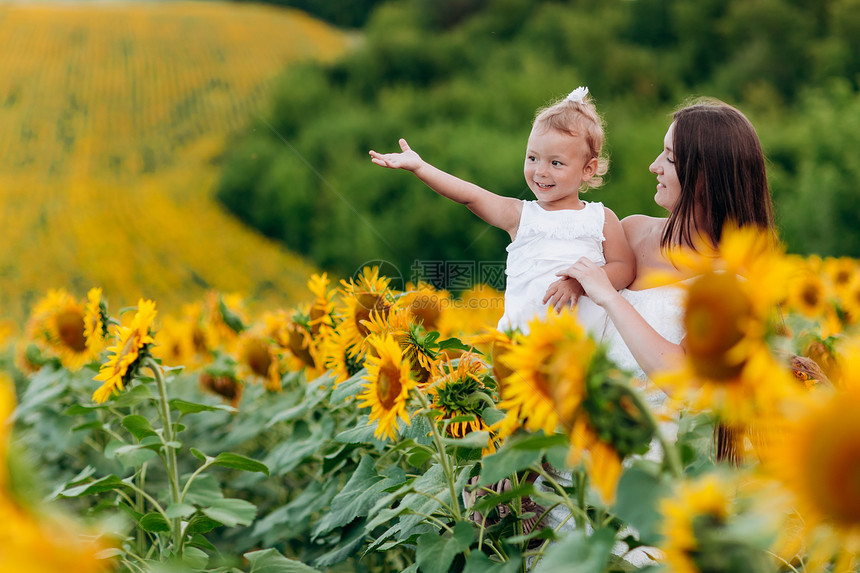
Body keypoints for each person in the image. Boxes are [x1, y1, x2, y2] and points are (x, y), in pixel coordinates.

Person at [533, 98, 777, 567]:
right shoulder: (630, 233)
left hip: (654, 482)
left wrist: (607, 294)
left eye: (668, 157)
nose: (653, 166)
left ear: (705, 175)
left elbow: (681, 376)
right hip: (574, 467)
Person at [369, 87, 635, 335]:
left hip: (580, 352)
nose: (540, 171)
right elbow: (469, 195)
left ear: (588, 169)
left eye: (556, 162)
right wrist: (421, 167)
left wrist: (581, 283)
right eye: (532, 158)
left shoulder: (600, 218)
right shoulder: (521, 215)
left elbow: (625, 269)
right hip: (520, 347)